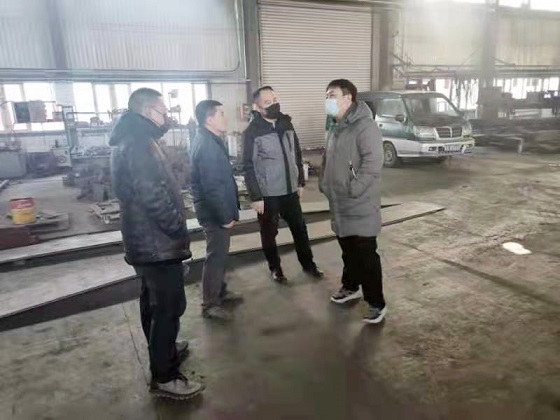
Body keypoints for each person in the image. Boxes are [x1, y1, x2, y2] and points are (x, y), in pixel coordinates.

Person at [110, 88, 205, 399]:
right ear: (148, 111)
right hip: (156, 241)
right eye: (163, 112)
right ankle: (165, 376)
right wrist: (176, 227)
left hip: (144, 240)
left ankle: (162, 349)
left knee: (153, 301)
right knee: (168, 307)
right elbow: (152, 195)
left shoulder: (130, 138)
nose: (167, 117)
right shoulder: (139, 143)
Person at [320, 79, 387, 324]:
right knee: (348, 251)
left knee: (366, 257)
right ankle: (350, 286)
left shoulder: (365, 126)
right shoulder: (334, 126)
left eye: (332, 95)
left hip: (359, 203)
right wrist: (324, 183)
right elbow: (327, 159)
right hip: (339, 203)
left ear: (348, 98)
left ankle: (376, 302)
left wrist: (354, 188)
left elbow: (373, 163)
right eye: (327, 95)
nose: (328, 100)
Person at [242, 86, 323, 283]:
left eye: (275, 100)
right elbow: (248, 165)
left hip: (290, 190)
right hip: (268, 194)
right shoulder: (252, 132)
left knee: (300, 229)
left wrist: (300, 181)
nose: (274, 104)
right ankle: (275, 268)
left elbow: (297, 152)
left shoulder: (286, 124)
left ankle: (308, 264)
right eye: (267, 102)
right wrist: (256, 196)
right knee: (269, 233)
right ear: (258, 107)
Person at [190, 100, 243, 321]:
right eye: (221, 114)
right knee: (215, 257)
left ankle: (220, 292)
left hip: (216, 210)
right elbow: (212, 187)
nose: (225, 117)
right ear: (209, 119)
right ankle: (210, 303)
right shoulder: (207, 146)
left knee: (220, 255)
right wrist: (224, 217)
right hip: (214, 214)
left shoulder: (210, 140)